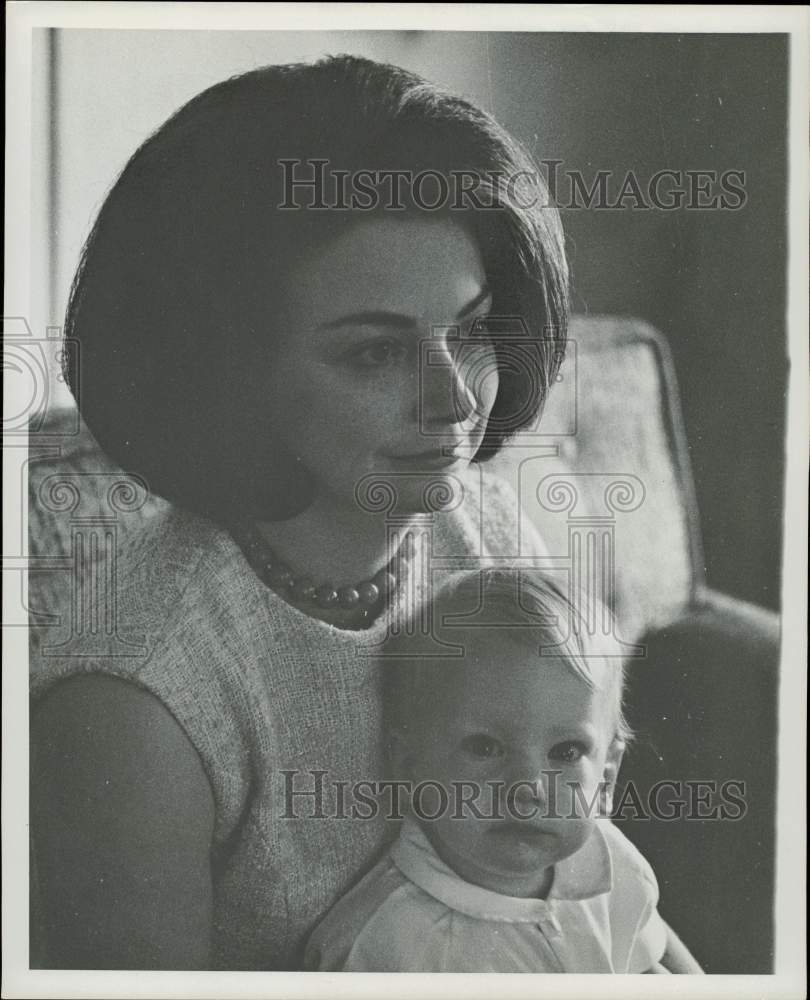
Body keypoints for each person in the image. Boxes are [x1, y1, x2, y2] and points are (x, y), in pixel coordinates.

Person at [28, 55, 568, 969]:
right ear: (232, 376)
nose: (455, 402)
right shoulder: (134, 701)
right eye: (373, 356)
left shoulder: (484, 534)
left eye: (473, 332)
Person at [304, 569, 704, 973]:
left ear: (606, 779)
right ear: (408, 767)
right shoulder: (388, 944)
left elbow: (651, 972)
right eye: (485, 747)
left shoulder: (612, 865)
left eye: (566, 751)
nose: (527, 788)